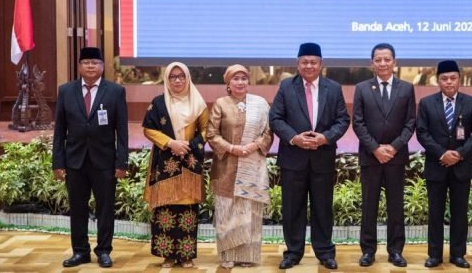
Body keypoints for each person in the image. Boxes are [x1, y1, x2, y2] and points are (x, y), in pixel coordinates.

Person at [269, 43, 350, 270]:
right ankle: (293, 253)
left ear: (321, 64)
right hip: (293, 158)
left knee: (322, 208)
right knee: (292, 208)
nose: (309, 66)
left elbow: (342, 120)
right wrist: (295, 138)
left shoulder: (333, 88)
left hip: (322, 157)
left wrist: (325, 138)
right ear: (298, 63)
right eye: (304, 62)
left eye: (313, 62)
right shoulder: (286, 86)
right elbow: (275, 119)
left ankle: (324, 252)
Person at [52, 47, 128, 268]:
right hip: (75, 160)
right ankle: (80, 251)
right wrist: (58, 162)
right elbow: (59, 131)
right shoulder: (66, 91)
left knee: (105, 208)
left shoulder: (115, 91)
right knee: (77, 208)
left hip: (104, 161)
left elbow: (121, 131)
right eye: (86, 62)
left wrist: (121, 162)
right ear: (79, 66)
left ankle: (104, 251)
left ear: (102, 67)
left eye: (95, 62)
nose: (91, 66)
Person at [352, 43, 416, 267]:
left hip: (396, 158)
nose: (382, 63)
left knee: (395, 206)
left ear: (394, 62)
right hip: (371, 157)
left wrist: (394, 147)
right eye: (378, 59)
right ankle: (368, 250)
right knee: (369, 205)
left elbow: (410, 123)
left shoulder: (407, 88)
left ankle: (395, 250)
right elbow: (357, 123)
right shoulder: (361, 88)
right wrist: (376, 148)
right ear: (372, 63)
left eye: (387, 59)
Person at [416, 60, 472, 269]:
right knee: (435, 213)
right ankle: (434, 255)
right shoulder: (427, 103)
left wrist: (460, 154)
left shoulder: (471, 103)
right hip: (436, 166)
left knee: (459, 213)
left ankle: (458, 254)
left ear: (459, 79)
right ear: (438, 80)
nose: (449, 82)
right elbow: (422, 133)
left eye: (453, 78)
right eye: (444, 78)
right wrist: (442, 153)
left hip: (461, 168)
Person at [142, 62, 209, 268]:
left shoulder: (198, 103)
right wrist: (170, 143)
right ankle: (168, 255)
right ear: (167, 80)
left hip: (189, 161)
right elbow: (148, 129)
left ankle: (186, 254)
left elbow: (206, 131)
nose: (178, 80)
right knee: (165, 208)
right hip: (165, 162)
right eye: (173, 77)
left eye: (181, 76)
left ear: (188, 78)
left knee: (187, 209)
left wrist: (189, 145)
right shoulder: (158, 103)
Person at [207, 64, 273, 268]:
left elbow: (268, 133)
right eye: (235, 78)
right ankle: (228, 254)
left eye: (244, 78)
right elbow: (211, 134)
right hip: (226, 165)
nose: (240, 82)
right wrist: (232, 148)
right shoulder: (220, 104)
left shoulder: (260, 104)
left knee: (249, 210)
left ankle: (247, 255)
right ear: (228, 82)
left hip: (252, 165)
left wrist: (254, 145)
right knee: (227, 211)